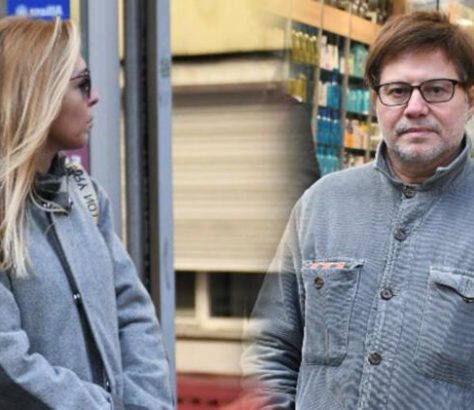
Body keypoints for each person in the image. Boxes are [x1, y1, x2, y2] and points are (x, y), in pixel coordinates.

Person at [243, 10, 474, 409]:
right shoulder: (322, 205)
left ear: (469, 99)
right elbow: (270, 345)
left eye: (436, 89)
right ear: (375, 102)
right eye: (397, 91)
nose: (415, 107)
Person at [0, 16, 173, 409]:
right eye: (82, 84)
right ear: (38, 94)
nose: (94, 97)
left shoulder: (86, 195)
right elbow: (8, 363)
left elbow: (132, 313)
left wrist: (145, 404)